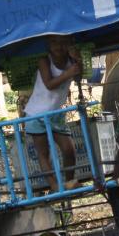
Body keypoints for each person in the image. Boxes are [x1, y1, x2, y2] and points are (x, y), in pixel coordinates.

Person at [25, 35, 83, 193]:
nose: (59, 46)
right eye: (54, 43)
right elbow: (50, 84)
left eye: (63, 43)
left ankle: (69, 181)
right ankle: (54, 186)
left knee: (69, 149)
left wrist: (77, 60)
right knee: (44, 153)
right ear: (48, 45)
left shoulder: (71, 62)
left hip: (56, 114)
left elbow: (78, 77)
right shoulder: (44, 61)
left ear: (69, 44)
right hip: (35, 114)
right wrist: (68, 73)